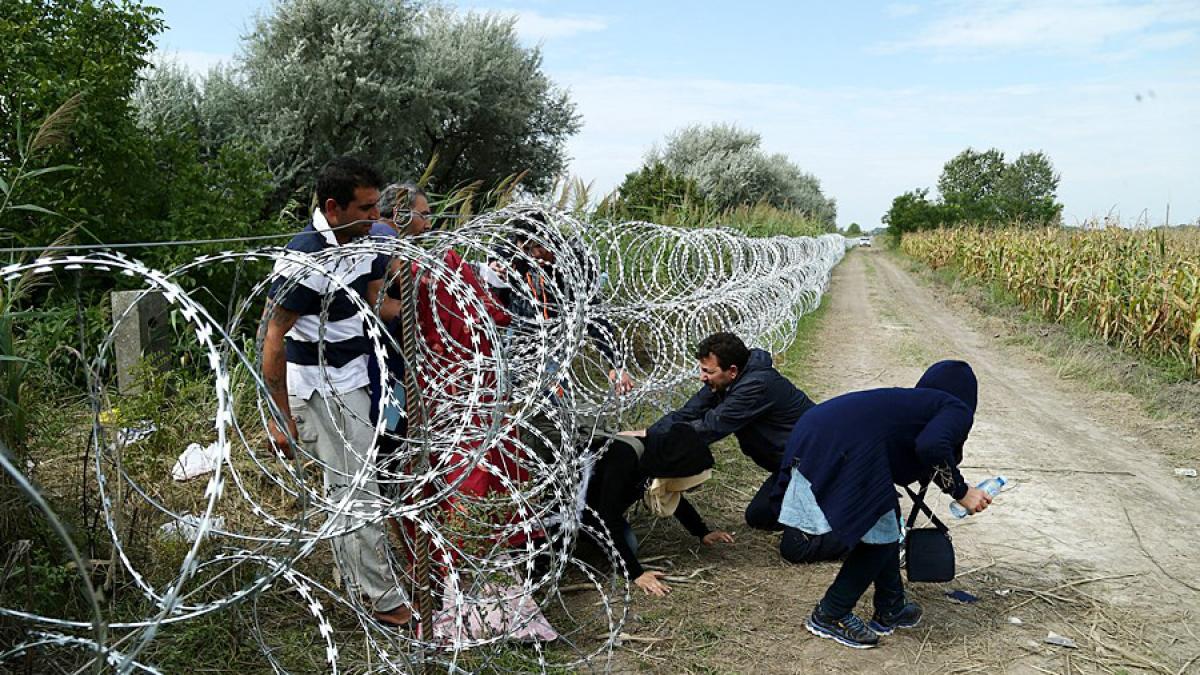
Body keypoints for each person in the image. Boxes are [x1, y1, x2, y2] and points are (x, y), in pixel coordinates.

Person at [260, 156, 412, 627]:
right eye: (366, 208)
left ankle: (354, 579)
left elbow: (374, 300)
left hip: (357, 377)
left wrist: (429, 293)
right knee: (358, 489)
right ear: (333, 208)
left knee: (351, 486)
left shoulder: (363, 241)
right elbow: (273, 338)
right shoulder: (303, 258)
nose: (376, 217)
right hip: (319, 387)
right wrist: (280, 418)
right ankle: (383, 599)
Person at [771, 360, 992, 649]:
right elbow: (932, 446)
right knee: (879, 534)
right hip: (838, 446)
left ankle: (891, 606)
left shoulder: (917, 405)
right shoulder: (956, 408)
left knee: (885, 520)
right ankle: (830, 613)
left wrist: (949, 483)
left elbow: (916, 453)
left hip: (817, 432)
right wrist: (961, 491)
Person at [647, 332, 816, 531]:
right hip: (790, 464)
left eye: (708, 371)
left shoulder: (755, 386)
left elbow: (710, 427)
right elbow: (689, 412)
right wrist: (649, 434)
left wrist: (656, 442)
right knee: (759, 516)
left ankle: (827, 505)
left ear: (732, 371)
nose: (702, 377)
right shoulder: (724, 382)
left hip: (812, 460)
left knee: (777, 523)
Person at [583, 423, 735, 596]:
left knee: (627, 544)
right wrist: (636, 574)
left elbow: (672, 496)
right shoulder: (626, 457)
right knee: (629, 545)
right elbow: (607, 517)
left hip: (601, 509)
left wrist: (702, 532)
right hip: (581, 512)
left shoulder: (657, 458)